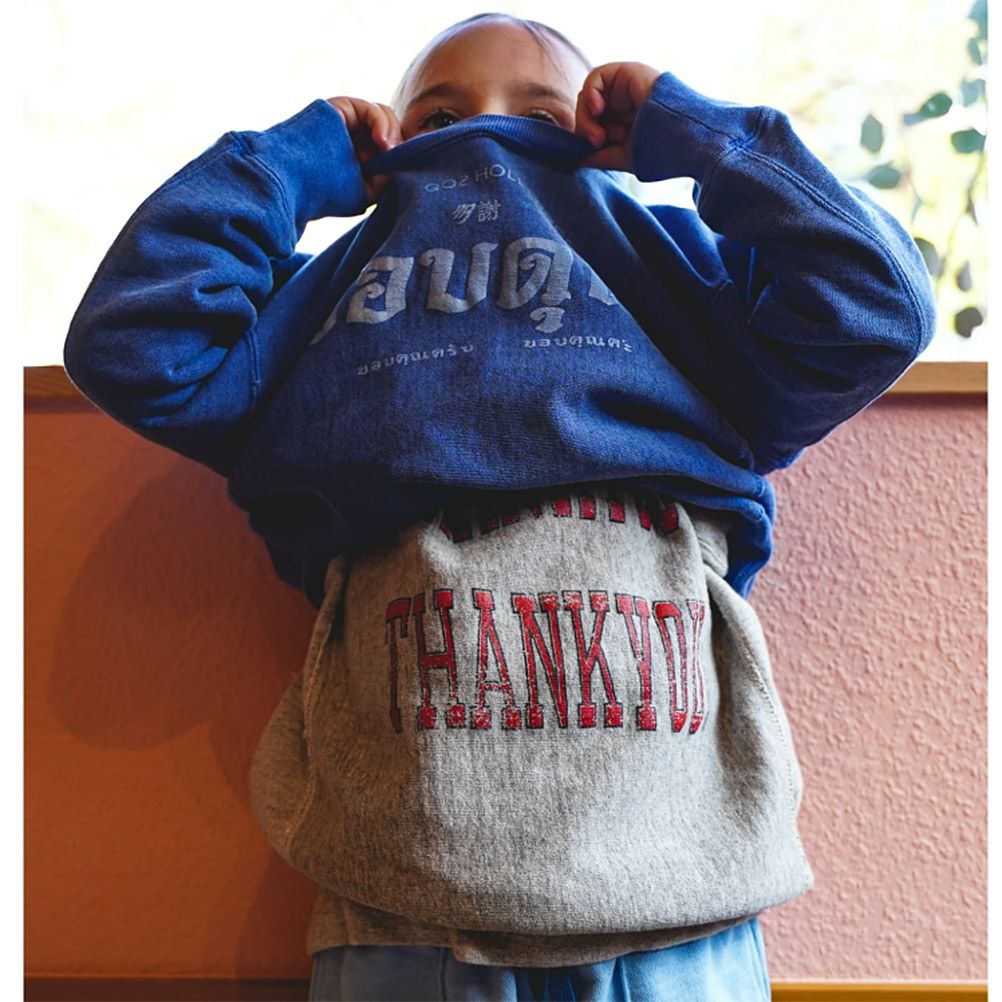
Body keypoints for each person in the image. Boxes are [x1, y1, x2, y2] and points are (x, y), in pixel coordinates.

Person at [62, 11, 936, 1001]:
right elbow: (134, 343)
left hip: (682, 907)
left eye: (541, 116)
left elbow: (877, 301)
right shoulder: (333, 295)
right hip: (403, 914)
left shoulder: (671, 269)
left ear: (607, 146)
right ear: (386, 154)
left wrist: (694, 137)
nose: (487, 134)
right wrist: (293, 168)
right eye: (438, 119)